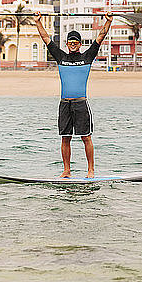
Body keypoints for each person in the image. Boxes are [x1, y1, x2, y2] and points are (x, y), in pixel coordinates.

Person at [34, 13, 113, 178]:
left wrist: (108, 21)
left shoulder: (87, 57)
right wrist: (38, 21)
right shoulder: (60, 57)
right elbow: (45, 38)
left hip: (80, 104)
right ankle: (66, 171)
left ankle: (90, 170)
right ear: (67, 43)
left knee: (86, 137)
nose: (72, 45)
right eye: (70, 42)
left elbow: (100, 36)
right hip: (64, 104)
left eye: (75, 42)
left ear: (80, 44)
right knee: (65, 138)